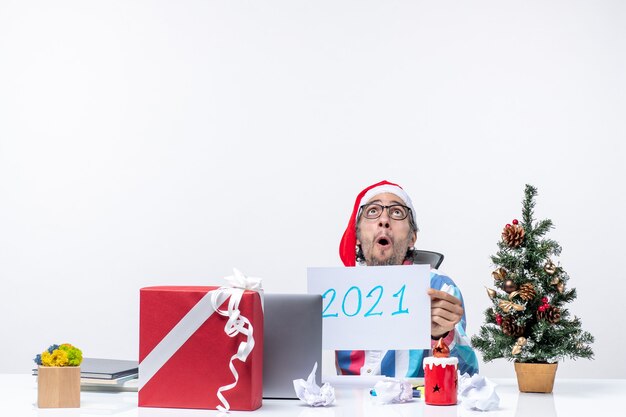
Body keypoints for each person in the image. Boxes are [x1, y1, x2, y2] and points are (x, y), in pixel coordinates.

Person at [336, 180, 479, 377]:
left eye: (396, 212)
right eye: (372, 211)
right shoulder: (337, 293)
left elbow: (468, 374)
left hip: (414, 404)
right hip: (349, 405)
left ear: (412, 237)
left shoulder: (439, 287)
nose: (384, 220)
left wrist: (442, 335)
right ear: (358, 236)